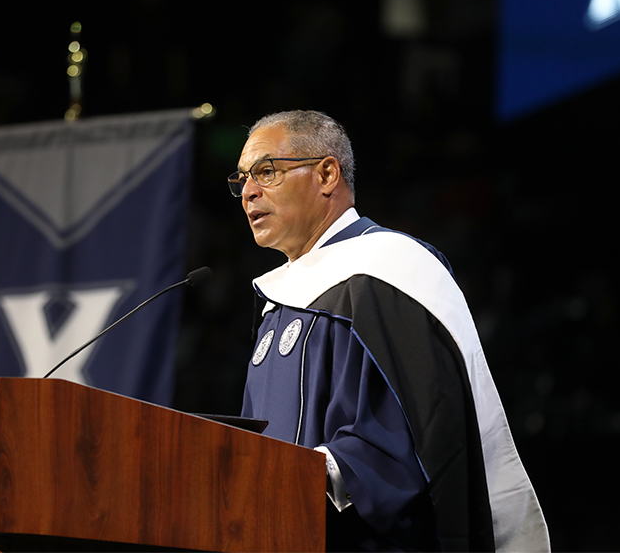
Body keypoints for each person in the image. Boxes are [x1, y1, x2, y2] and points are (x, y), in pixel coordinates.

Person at [229, 110, 550, 552]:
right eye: (242, 179)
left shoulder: (392, 271)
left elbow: (420, 432)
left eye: (266, 172)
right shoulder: (278, 305)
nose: (248, 192)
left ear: (326, 174)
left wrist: (300, 476)